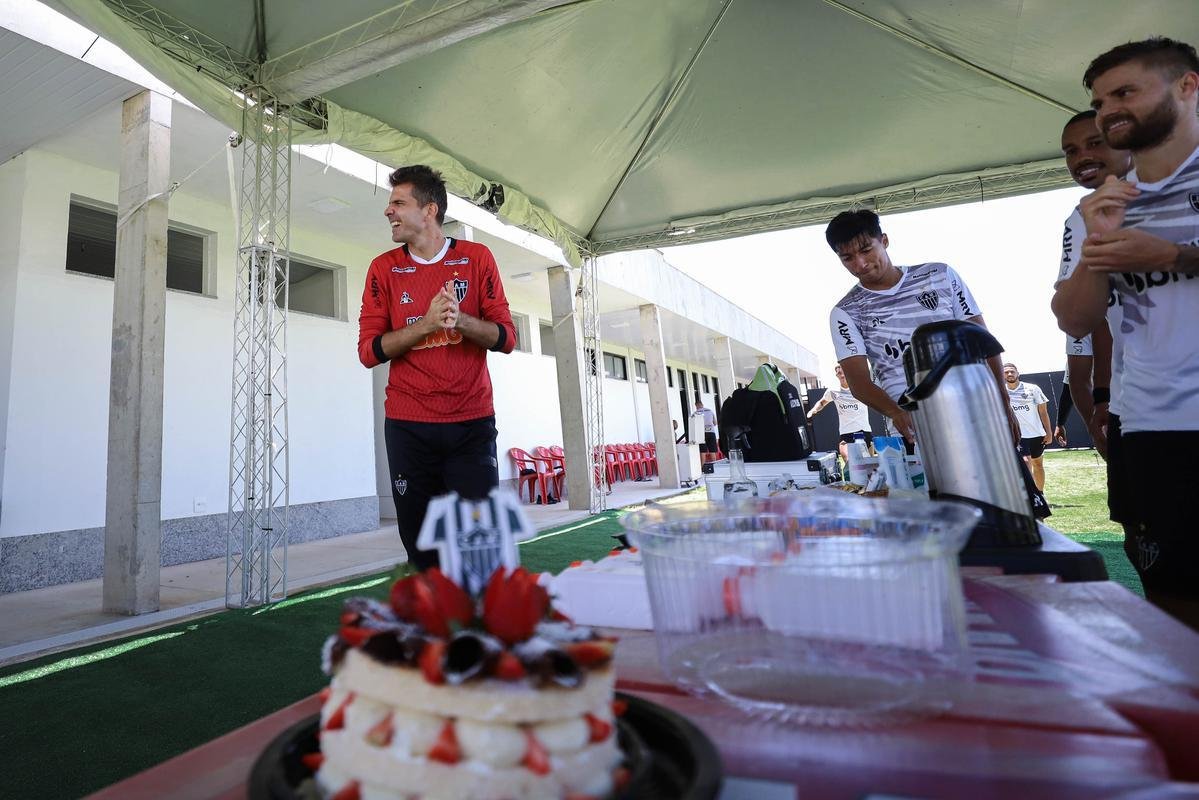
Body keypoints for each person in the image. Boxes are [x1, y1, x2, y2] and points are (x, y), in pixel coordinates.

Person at [1052, 38, 1199, 630]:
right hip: (1151, 428)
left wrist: (1175, 254)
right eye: (1100, 98)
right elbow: (1074, 318)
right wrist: (1096, 249)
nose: (1109, 108)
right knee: (1172, 602)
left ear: (1187, 86)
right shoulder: (1100, 205)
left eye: (1124, 92)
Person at [358, 165, 517, 571]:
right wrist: (426, 325)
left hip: (471, 424)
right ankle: (436, 628)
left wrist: (460, 320)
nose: (388, 212)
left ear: (429, 210)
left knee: (480, 548)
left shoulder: (477, 258)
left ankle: (481, 626)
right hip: (409, 427)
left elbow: (506, 338)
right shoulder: (383, 269)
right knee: (422, 549)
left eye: (398, 202)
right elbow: (369, 351)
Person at [825, 210, 1017, 448]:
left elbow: (983, 340)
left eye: (866, 250)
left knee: (1005, 484)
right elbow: (859, 383)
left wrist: (1002, 398)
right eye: (847, 258)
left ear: (884, 240)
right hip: (914, 433)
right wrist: (895, 412)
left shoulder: (940, 275)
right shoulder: (845, 312)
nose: (860, 264)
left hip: (976, 413)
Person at [1054, 109, 1132, 457]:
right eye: (1070, 150)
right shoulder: (1079, 218)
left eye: (1094, 143)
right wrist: (1103, 398)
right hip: (1138, 402)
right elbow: (1088, 321)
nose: (1081, 156)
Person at [806, 363, 874, 464]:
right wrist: (813, 410)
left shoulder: (859, 386)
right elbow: (821, 402)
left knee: (869, 466)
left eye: (843, 371)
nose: (841, 374)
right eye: (838, 372)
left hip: (864, 431)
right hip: (846, 433)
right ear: (837, 375)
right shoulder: (833, 391)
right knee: (849, 463)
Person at [1003, 363, 1052, 491]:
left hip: (1036, 434)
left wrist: (1049, 432)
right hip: (1018, 436)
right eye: (1006, 372)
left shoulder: (1032, 389)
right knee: (1025, 463)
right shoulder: (1001, 392)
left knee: (1038, 465)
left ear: (1017, 373)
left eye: (1012, 371)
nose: (1009, 374)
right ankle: (1031, 496)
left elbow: (1043, 411)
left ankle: (1040, 494)